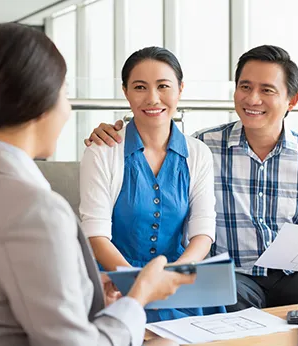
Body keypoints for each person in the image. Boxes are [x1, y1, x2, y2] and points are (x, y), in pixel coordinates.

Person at [0, 23, 194, 346]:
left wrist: (88, 287)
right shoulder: (35, 210)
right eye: (64, 93)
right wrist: (139, 296)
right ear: (39, 103)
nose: (68, 110)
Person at [84, 44, 298, 311]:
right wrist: (111, 130)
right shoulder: (202, 147)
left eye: (267, 90)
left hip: (295, 278)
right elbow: (153, 134)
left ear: (292, 100)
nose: (252, 99)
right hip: (237, 277)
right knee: (223, 295)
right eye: (245, 87)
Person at [79, 46, 225, 323]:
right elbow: (95, 235)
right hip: (116, 283)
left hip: (177, 281)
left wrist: (173, 276)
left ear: (180, 89)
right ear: (125, 91)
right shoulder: (101, 151)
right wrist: (142, 285)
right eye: (140, 87)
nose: (152, 98)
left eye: (163, 86)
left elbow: (203, 232)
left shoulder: (198, 153)